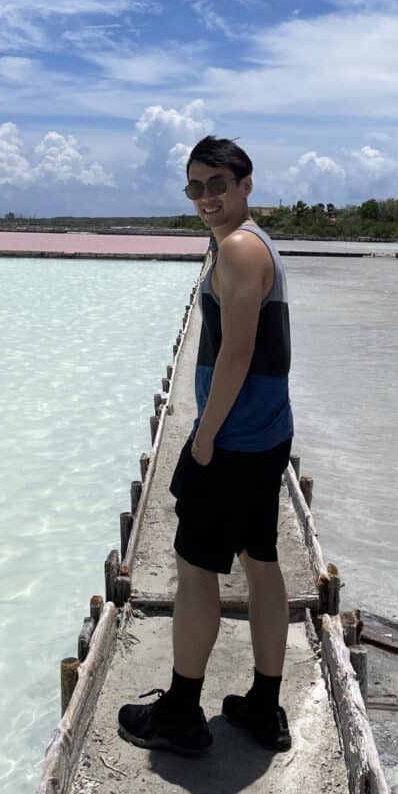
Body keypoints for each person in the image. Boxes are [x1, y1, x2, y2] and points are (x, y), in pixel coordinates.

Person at [117, 135, 294, 757]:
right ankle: (264, 706)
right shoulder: (252, 242)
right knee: (260, 561)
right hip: (266, 431)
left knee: (195, 571)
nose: (205, 197)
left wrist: (206, 436)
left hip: (235, 439)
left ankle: (181, 715)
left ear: (246, 184)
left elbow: (237, 352)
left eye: (217, 184)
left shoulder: (239, 249)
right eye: (195, 186)